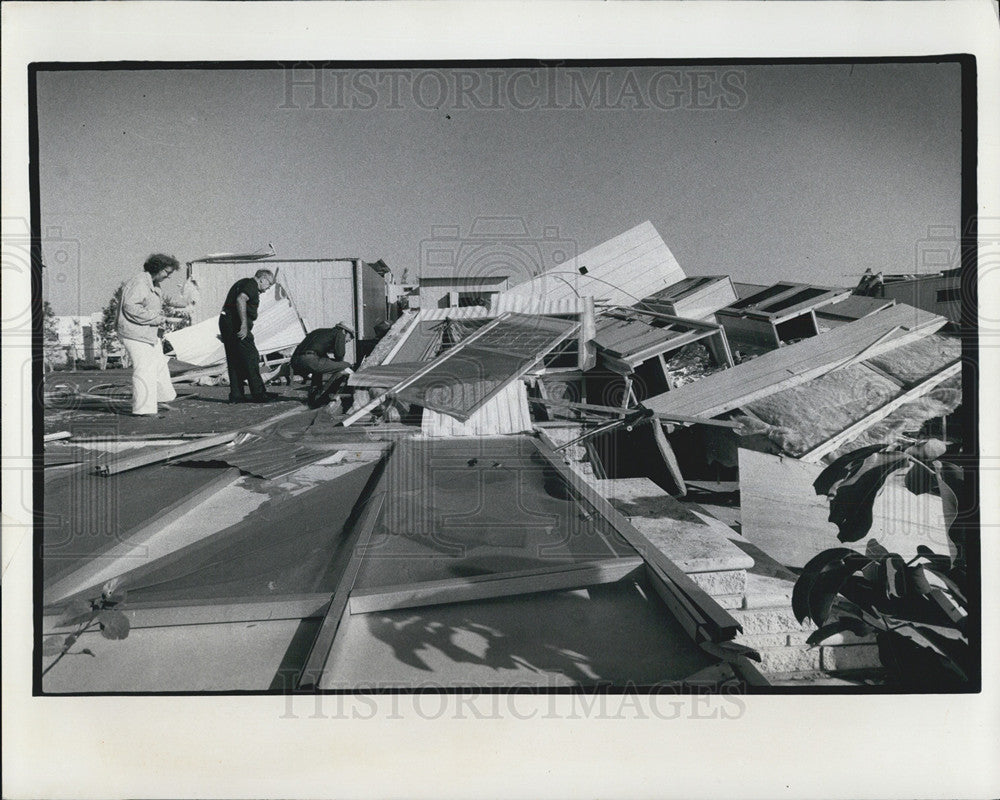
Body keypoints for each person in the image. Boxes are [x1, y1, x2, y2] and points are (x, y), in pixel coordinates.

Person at [117, 253, 187, 416]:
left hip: (147, 333)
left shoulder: (153, 284)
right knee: (145, 369)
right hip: (134, 333)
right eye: (167, 272)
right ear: (157, 268)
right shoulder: (140, 283)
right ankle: (143, 409)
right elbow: (131, 307)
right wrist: (157, 319)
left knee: (159, 365)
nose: (168, 276)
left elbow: (151, 305)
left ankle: (161, 399)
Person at [218, 268, 276, 403]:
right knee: (251, 357)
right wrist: (244, 324)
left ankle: (236, 395)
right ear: (262, 279)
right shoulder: (251, 285)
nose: (267, 289)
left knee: (234, 359)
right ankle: (259, 394)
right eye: (269, 284)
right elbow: (241, 299)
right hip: (236, 324)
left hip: (227, 322)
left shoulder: (242, 282)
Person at [290, 323, 355, 407]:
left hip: (295, 361)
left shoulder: (320, 331)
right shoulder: (340, 333)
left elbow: (322, 356)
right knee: (347, 366)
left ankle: (314, 395)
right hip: (309, 360)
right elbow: (339, 355)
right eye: (350, 337)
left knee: (320, 367)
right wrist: (340, 363)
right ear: (344, 331)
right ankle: (325, 395)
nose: (349, 340)